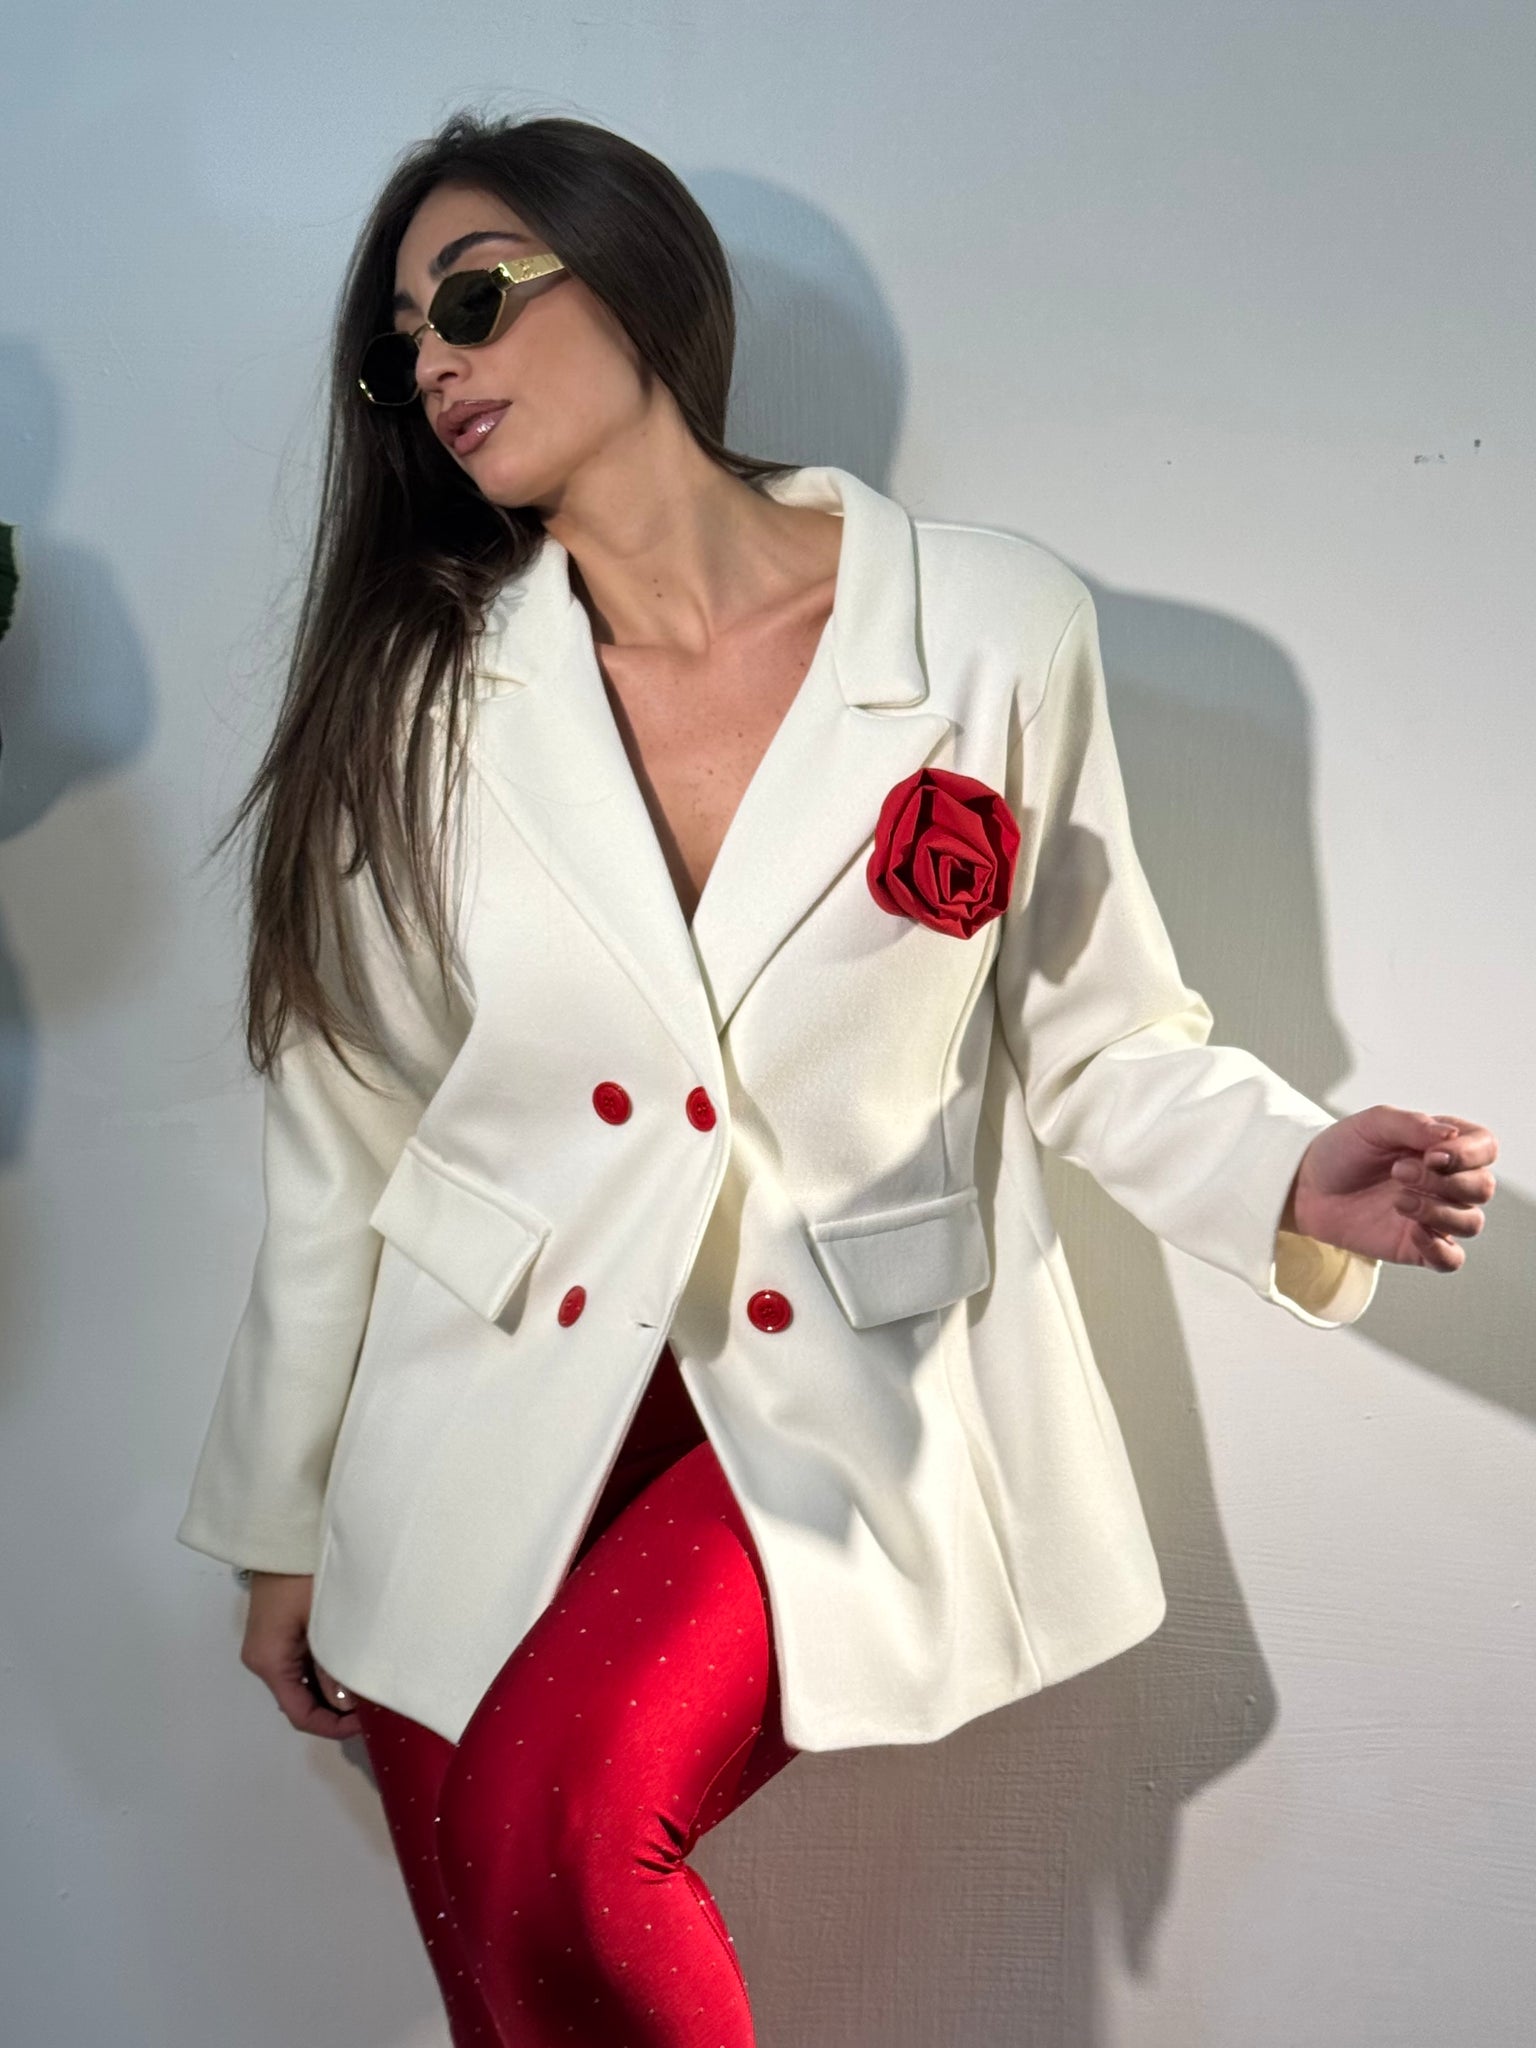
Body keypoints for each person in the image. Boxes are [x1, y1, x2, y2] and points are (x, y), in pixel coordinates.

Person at [177, 111, 1497, 2048]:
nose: (435, 369)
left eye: (469, 301)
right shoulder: (421, 691)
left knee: (565, 1836)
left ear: (643, 279)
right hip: (473, 1418)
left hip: (838, 1386)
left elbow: (1096, 1026)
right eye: (399, 353)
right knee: (503, 1933)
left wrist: (1294, 1171)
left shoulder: (986, 624)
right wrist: (285, 1516)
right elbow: (346, 1129)